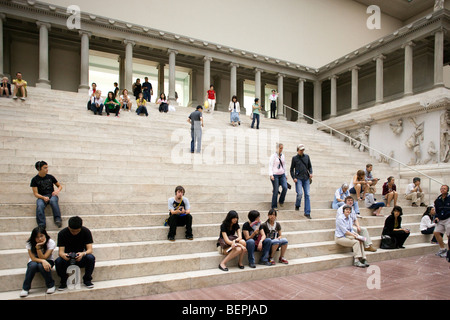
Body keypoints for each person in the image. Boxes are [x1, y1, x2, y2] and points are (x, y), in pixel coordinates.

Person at [55, 216, 95, 290]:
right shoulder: (62, 233)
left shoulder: (86, 231)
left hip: (80, 257)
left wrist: (82, 254)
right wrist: (64, 256)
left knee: (90, 257)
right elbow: (60, 252)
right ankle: (63, 281)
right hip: (67, 258)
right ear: (69, 227)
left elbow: (90, 250)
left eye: (77, 231)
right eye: (72, 231)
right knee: (58, 261)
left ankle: (87, 279)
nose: (75, 233)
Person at [20, 226, 56, 297]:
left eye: (41, 236)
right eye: (37, 237)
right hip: (34, 261)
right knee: (32, 266)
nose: (40, 239)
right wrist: (42, 260)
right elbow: (33, 258)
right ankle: (25, 288)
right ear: (33, 238)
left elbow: (44, 257)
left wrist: (39, 248)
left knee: (41, 266)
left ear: (45, 235)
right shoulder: (29, 243)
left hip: (48, 260)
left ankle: (51, 285)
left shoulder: (50, 242)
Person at [30, 161, 62, 228]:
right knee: (40, 205)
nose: (47, 169)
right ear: (39, 168)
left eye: (47, 167)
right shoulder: (34, 179)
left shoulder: (50, 177)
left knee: (53, 201)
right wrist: (43, 197)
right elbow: (35, 193)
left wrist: (57, 191)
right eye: (45, 168)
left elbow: (60, 186)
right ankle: (41, 224)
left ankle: (58, 219)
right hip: (42, 196)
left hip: (52, 195)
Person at [290, 143, 313, 218]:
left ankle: (307, 212)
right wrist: (294, 177)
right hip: (298, 178)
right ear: (298, 150)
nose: (302, 151)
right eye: (301, 150)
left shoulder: (307, 157)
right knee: (299, 193)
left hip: (306, 178)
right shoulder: (294, 158)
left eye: (303, 149)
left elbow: (310, 166)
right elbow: (291, 169)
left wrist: (311, 173)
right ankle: (297, 204)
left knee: (307, 194)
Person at [269, 143, 288, 210]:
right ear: (277, 148)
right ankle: (274, 206)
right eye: (280, 148)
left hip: (282, 174)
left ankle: (281, 201)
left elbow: (284, 165)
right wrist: (271, 175)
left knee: (285, 187)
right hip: (275, 175)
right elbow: (270, 165)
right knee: (276, 190)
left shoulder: (283, 156)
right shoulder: (273, 156)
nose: (281, 149)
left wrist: (286, 174)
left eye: (282, 148)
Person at [433, 185, 450, 258]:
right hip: (440, 219)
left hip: (448, 218)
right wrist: (436, 217)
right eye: (441, 188)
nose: (442, 190)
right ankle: (443, 249)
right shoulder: (438, 200)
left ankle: (449, 252)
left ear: (447, 190)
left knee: (449, 235)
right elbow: (437, 210)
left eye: (444, 188)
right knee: (436, 232)